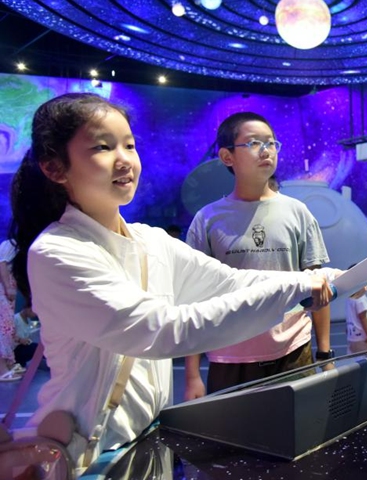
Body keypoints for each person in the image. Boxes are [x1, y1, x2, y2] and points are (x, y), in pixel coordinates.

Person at [9, 93, 338, 466]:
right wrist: (299, 286)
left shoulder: (152, 242)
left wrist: (333, 277)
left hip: (149, 439)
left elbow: (229, 281)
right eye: (103, 147)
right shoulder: (58, 253)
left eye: (129, 146)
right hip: (91, 455)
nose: (125, 160)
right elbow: (162, 329)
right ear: (55, 167)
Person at [183, 112, 332, 400]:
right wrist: (192, 375)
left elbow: (319, 285)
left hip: (294, 352)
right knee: (231, 443)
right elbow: (193, 299)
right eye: (253, 143)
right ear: (227, 157)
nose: (266, 150)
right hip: (229, 358)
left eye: (271, 143)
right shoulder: (207, 219)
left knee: (298, 441)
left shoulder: (297, 212)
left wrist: (324, 353)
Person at [0, 239, 22, 381]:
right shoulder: (12, 244)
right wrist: (7, 286)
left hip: (7, 291)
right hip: (2, 291)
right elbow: (2, 262)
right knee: (3, 328)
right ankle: (2, 370)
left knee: (7, 328)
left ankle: (7, 366)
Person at [345, 267, 367, 354]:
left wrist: (347, 329)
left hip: (352, 338)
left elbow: (350, 316)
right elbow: (362, 317)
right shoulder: (361, 299)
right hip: (363, 338)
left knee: (355, 360)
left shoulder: (349, 298)